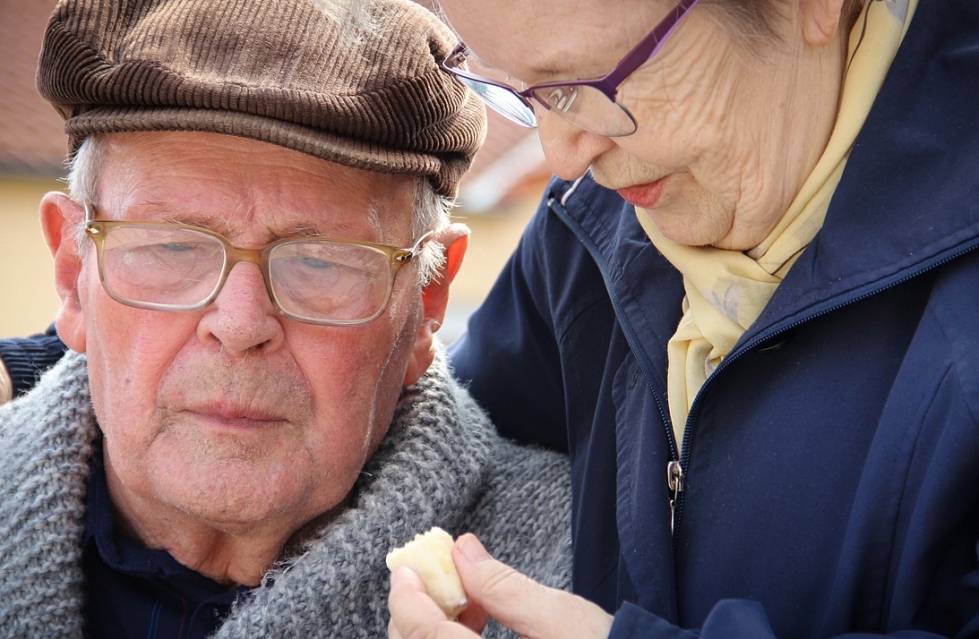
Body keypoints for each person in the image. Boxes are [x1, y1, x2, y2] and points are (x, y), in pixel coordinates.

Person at [388, 0, 979, 637]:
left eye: (594, 80)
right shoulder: (585, 234)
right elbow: (458, 445)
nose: (563, 158)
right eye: (521, 91)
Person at [0, 0, 572, 637]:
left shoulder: (581, 573)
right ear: (73, 274)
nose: (241, 326)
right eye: (172, 246)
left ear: (425, 302)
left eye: (321, 263)